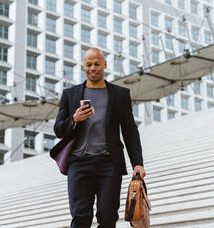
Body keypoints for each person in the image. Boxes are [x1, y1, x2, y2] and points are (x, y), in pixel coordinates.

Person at [53, 48, 146, 228]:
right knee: (80, 217)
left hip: (109, 164)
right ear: (83, 67)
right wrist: (74, 119)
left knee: (108, 216)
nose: (93, 68)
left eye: (97, 64)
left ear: (105, 64)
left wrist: (138, 163)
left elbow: (129, 130)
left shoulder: (120, 95)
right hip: (79, 163)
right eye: (88, 64)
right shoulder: (69, 94)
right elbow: (58, 130)